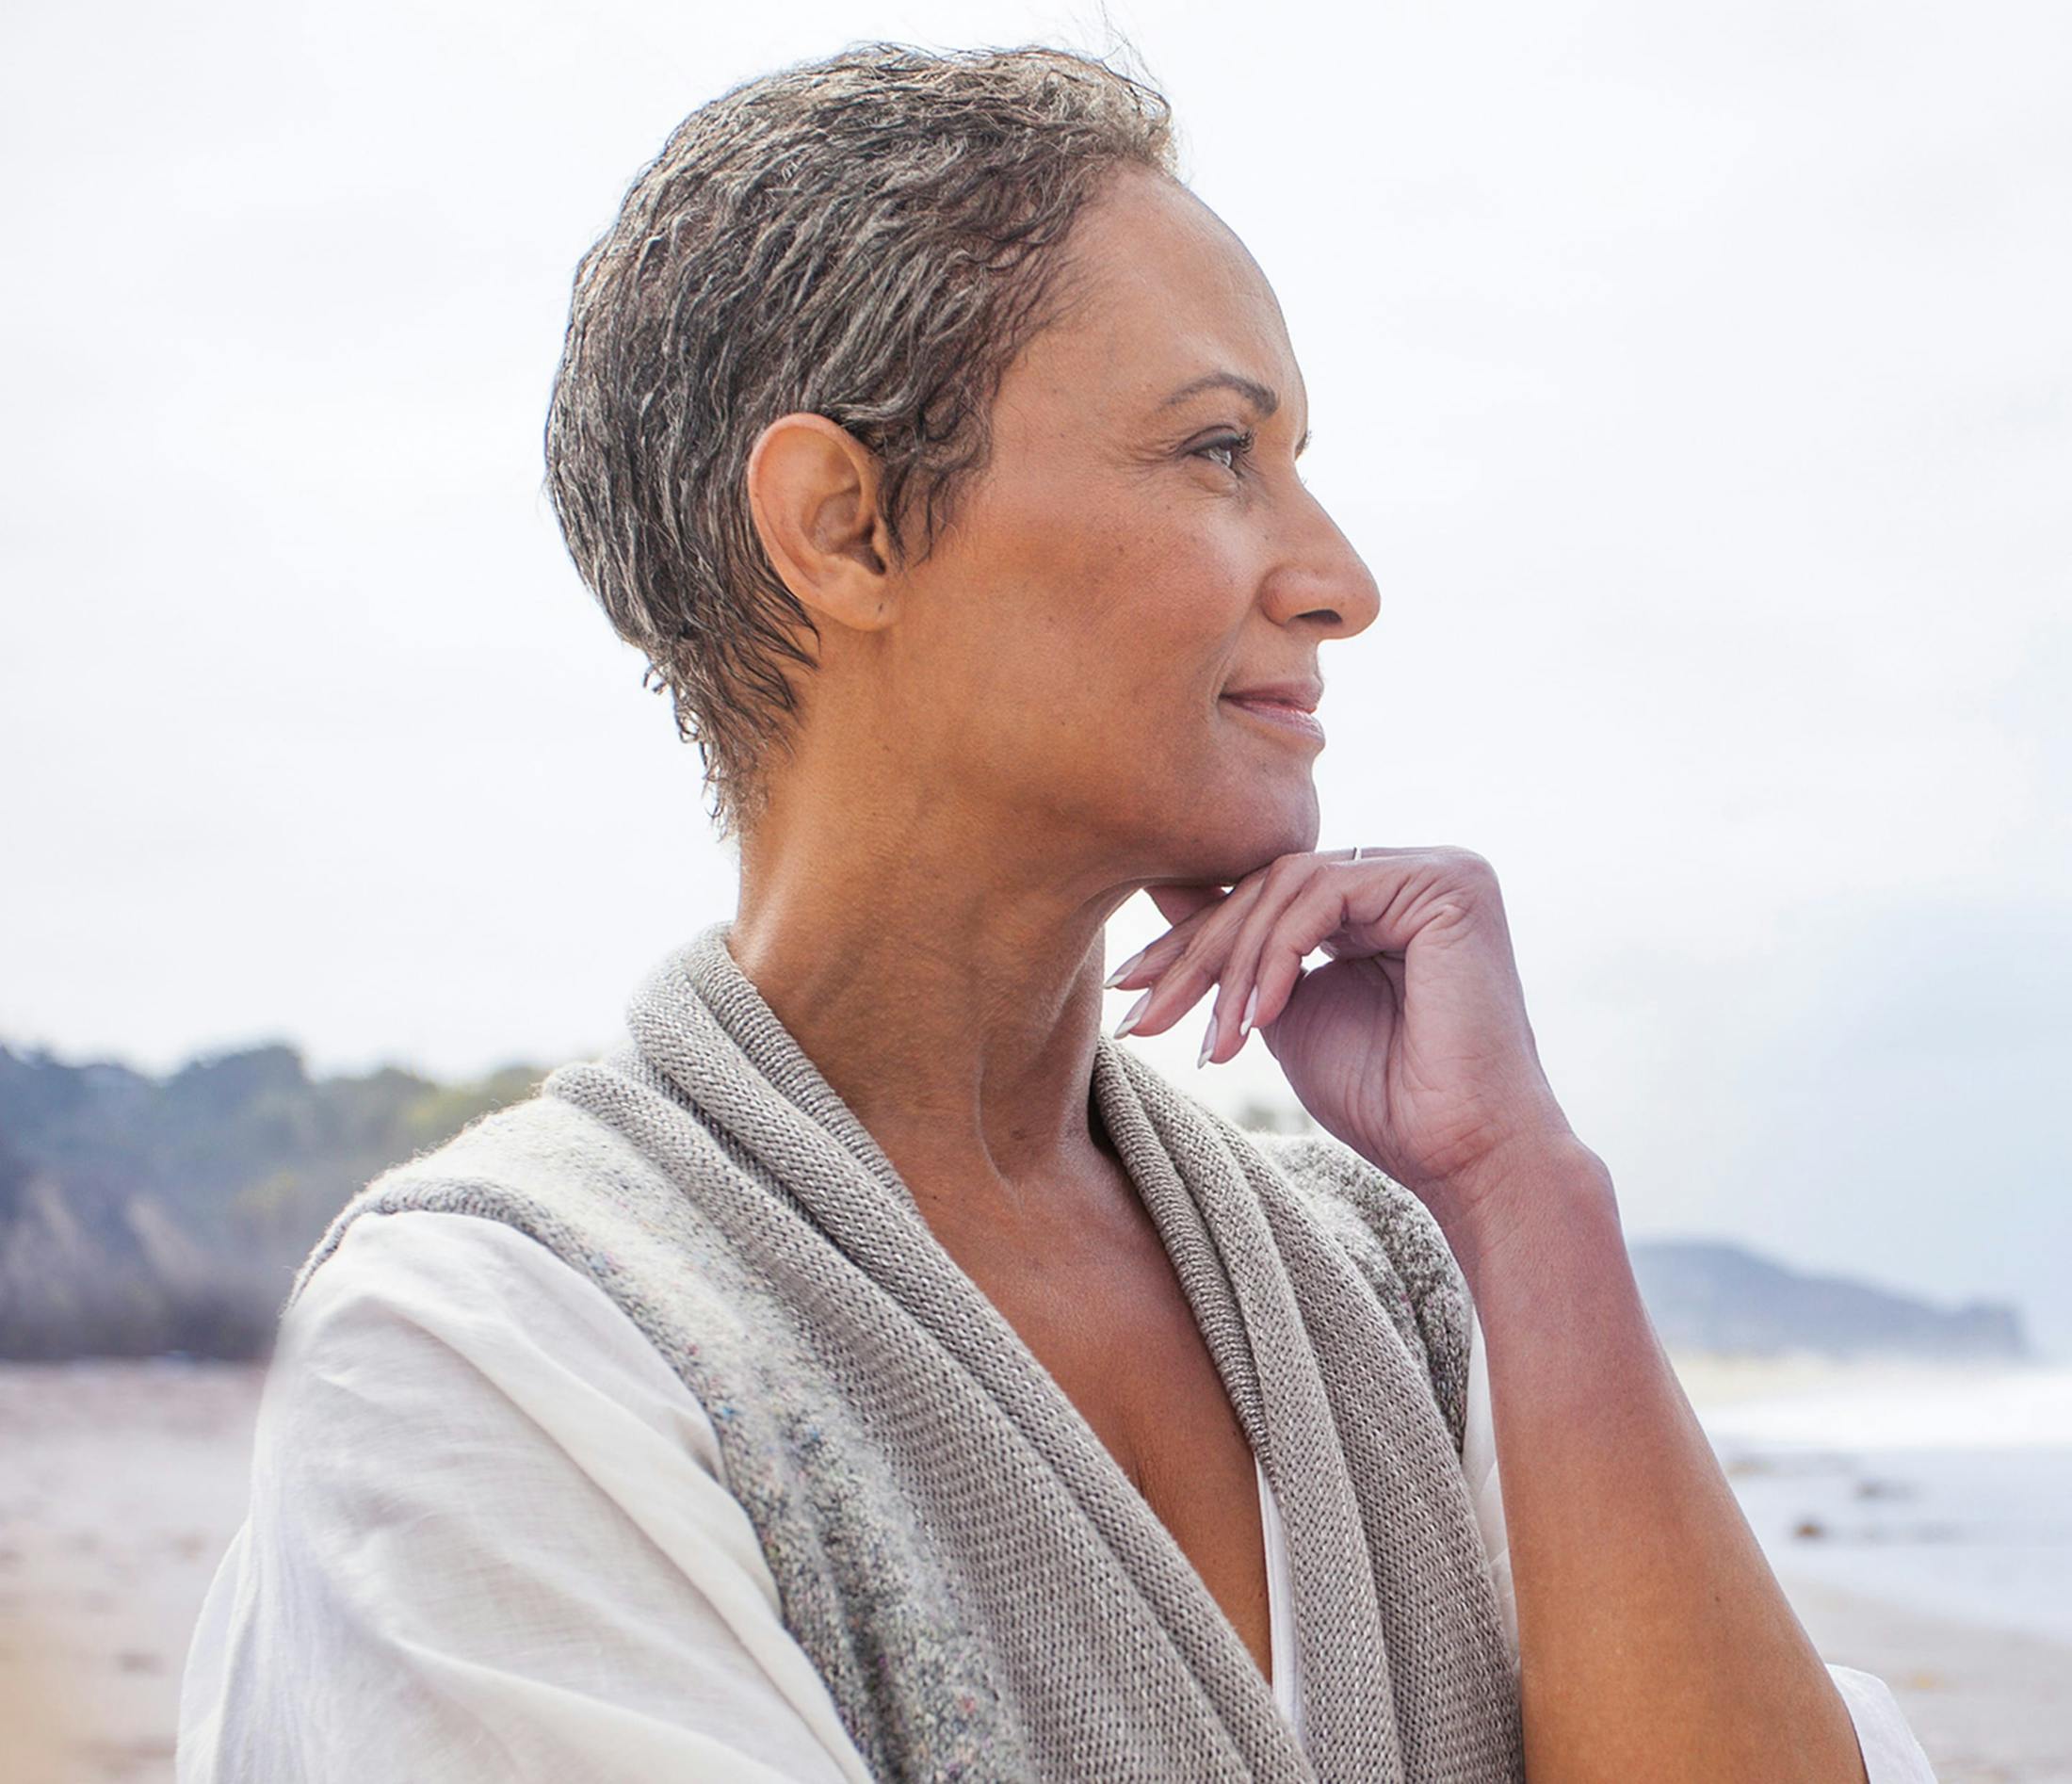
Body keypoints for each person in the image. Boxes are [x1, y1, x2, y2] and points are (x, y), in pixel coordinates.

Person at [176, 41, 1940, 1784]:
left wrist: (1526, 1194)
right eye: (1219, 449)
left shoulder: (1390, 1286)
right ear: (845, 526)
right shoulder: (487, 1350)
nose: (1340, 579)